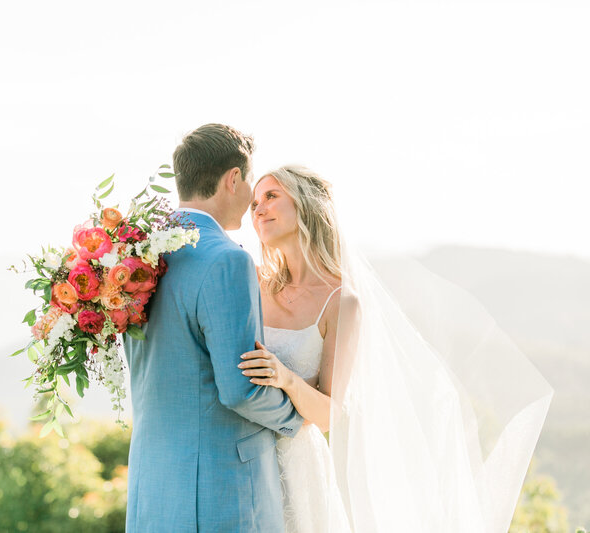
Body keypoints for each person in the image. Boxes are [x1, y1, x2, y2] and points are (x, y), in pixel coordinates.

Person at [240, 165, 553, 533]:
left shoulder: (341, 302)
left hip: (294, 469)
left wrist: (286, 378)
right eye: (254, 202)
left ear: (305, 204)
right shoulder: (251, 281)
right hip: (237, 448)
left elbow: (328, 415)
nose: (258, 209)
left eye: (271, 196)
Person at [123, 124, 304, 533]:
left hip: (152, 488)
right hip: (220, 495)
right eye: (251, 181)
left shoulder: (133, 257)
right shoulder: (227, 261)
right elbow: (240, 389)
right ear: (233, 178)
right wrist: (299, 414)